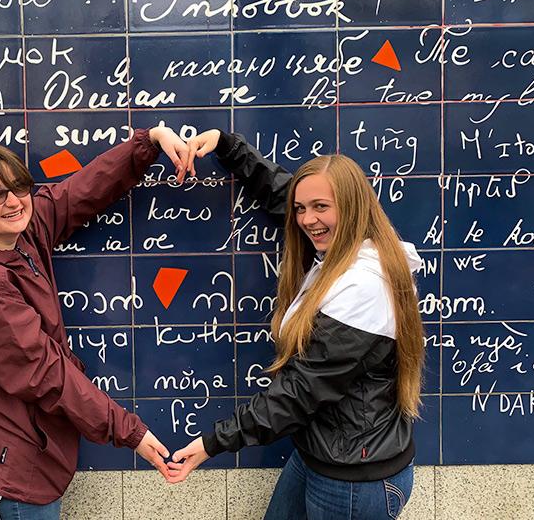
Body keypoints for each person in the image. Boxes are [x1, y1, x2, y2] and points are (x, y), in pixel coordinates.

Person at [0, 126, 188, 520]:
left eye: (19, 187)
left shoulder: (23, 236)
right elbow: (47, 373)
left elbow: (80, 191)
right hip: (7, 478)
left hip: (20, 461)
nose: (14, 201)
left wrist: (149, 141)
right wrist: (129, 432)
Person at [166, 129, 425, 520]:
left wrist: (212, 443)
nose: (307, 220)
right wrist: (227, 145)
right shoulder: (351, 246)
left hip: (354, 480)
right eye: (302, 209)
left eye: (320, 207)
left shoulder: (364, 286)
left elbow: (300, 391)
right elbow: (282, 193)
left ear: (352, 208)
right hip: (324, 453)